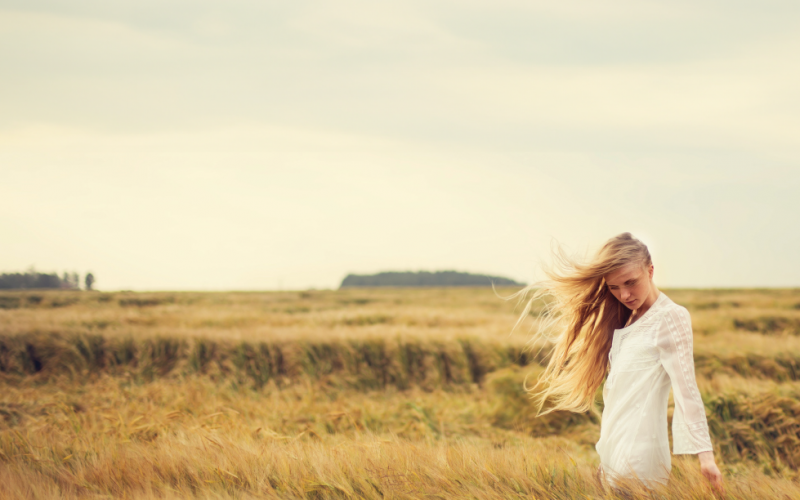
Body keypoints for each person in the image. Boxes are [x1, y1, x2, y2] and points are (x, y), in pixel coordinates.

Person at [510, 232, 723, 490]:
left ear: (651, 270)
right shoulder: (627, 318)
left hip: (641, 457)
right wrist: (606, 452)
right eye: (614, 287)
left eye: (631, 282)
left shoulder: (671, 317)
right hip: (613, 452)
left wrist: (706, 458)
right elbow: (618, 395)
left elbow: (686, 390)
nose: (624, 294)